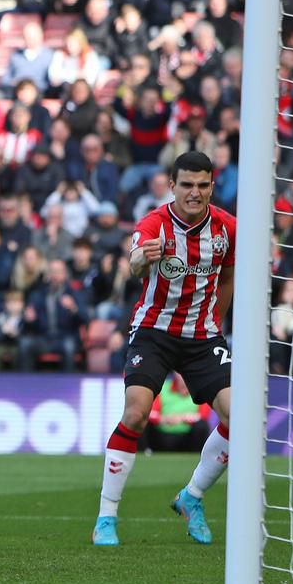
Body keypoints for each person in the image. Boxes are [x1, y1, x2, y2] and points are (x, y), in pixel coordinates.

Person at [92, 151, 236, 547]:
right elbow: (136, 261)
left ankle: (192, 496)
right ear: (172, 186)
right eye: (186, 184)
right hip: (154, 332)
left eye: (203, 185)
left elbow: (228, 277)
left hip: (202, 336)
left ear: (211, 185)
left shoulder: (226, 229)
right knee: (136, 413)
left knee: (239, 416)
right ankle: (106, 518)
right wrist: (141, 259)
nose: (195, 193)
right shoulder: (154, 224)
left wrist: (215, 322)